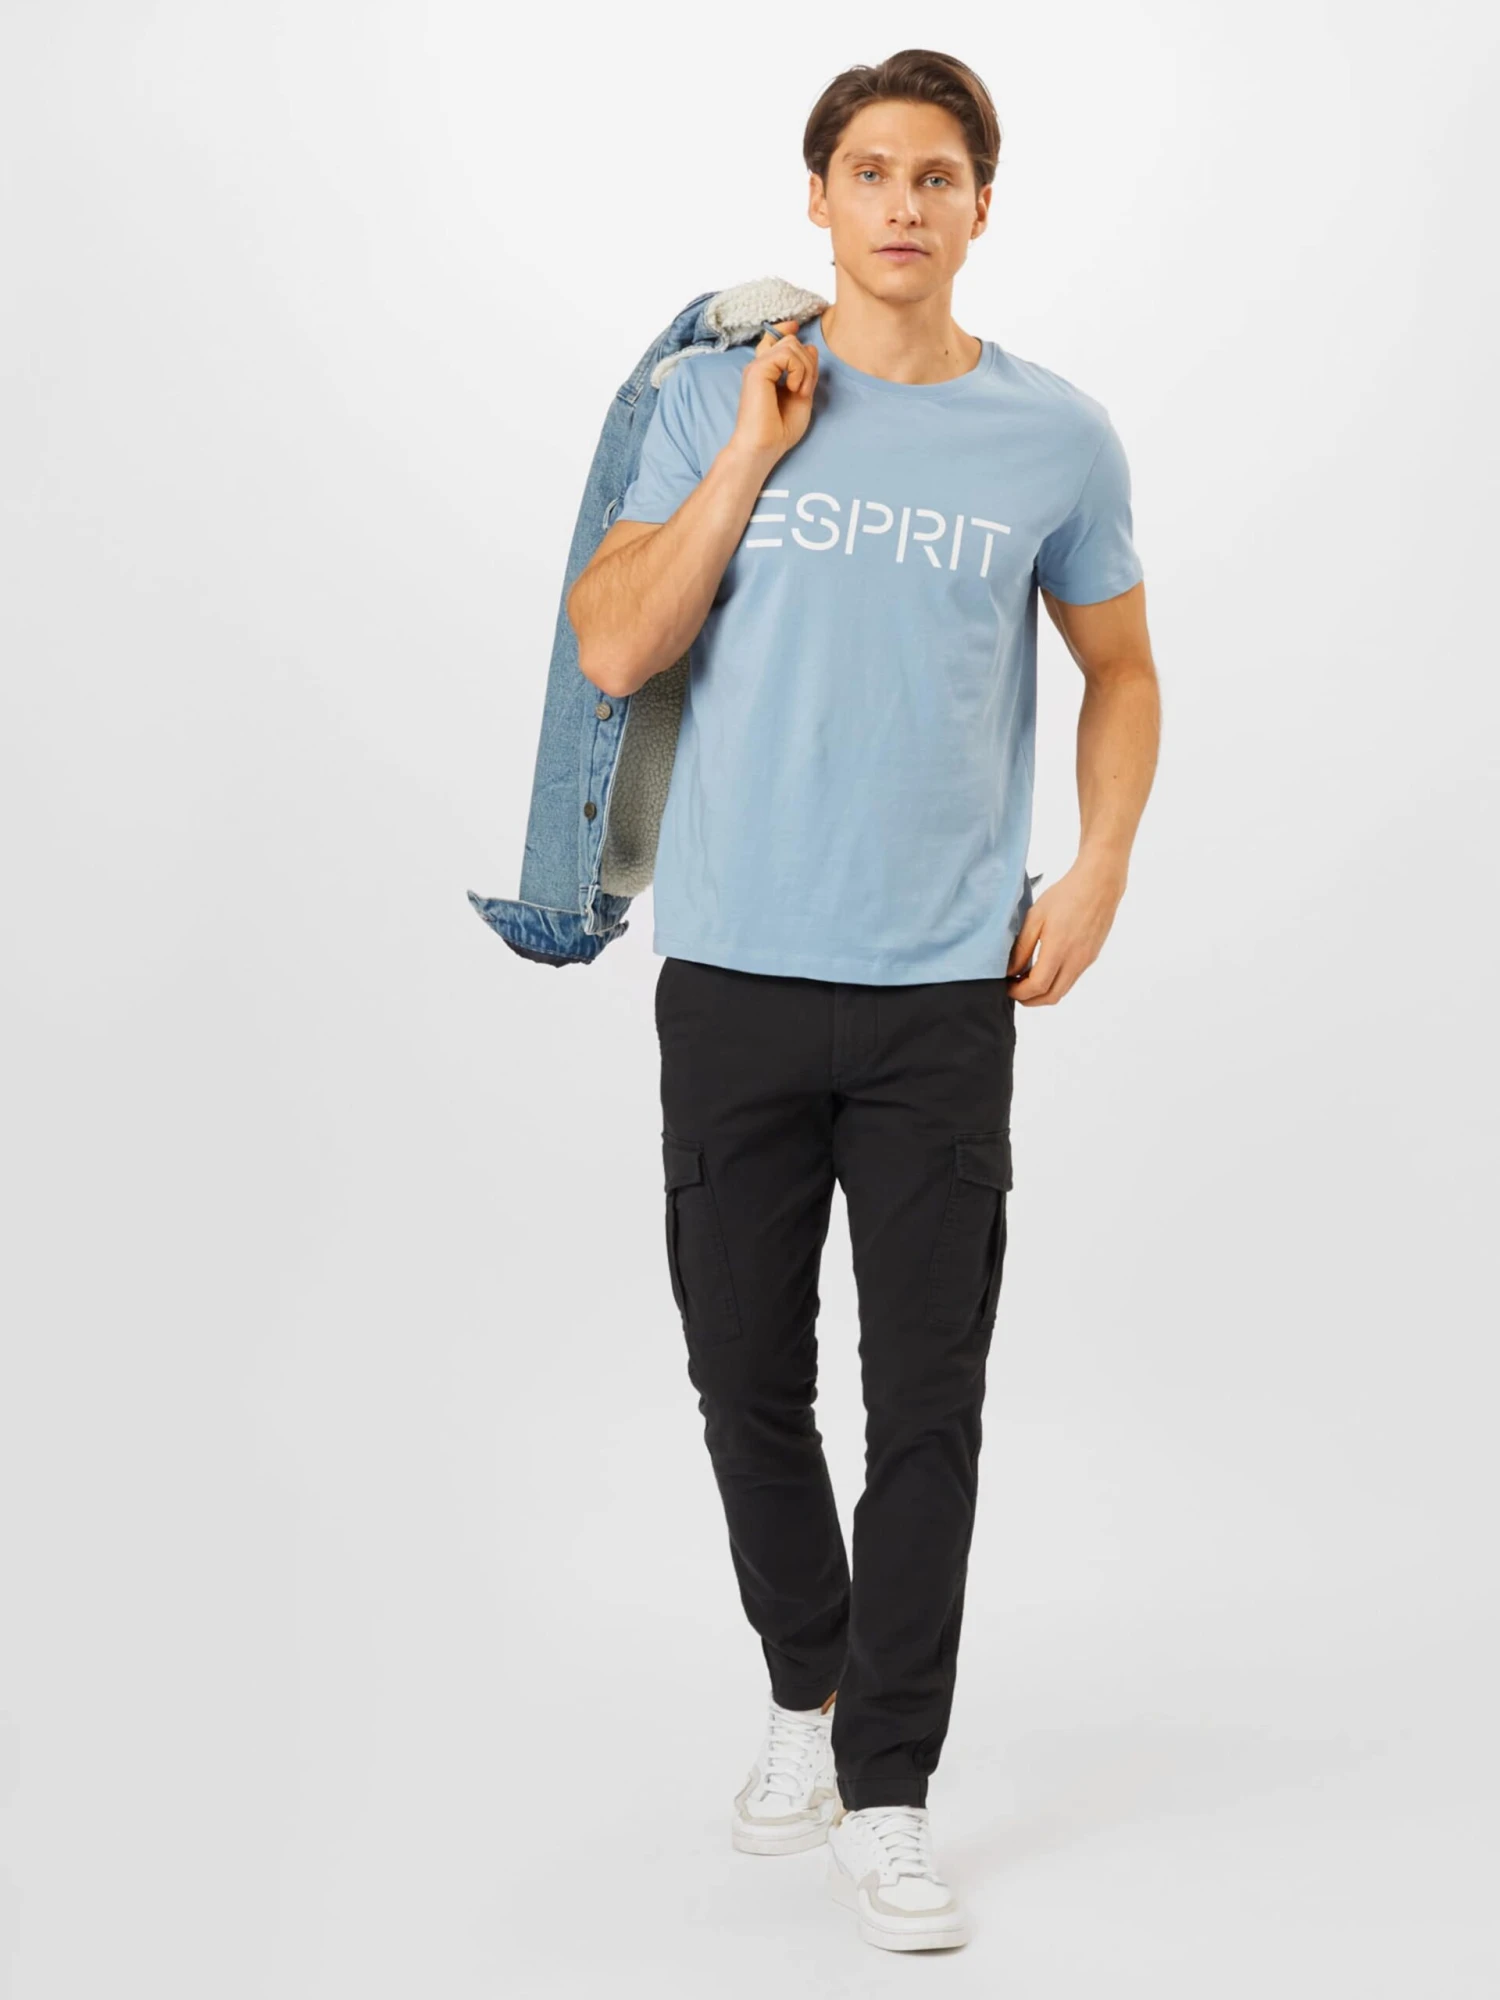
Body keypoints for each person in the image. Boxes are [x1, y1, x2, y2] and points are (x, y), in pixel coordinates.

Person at [566, 48, 1159, 1954]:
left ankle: (888, 1789)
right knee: (742, 1378)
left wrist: (1098, 864)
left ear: (982, 207)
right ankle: (805, 1692)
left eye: (940, 175)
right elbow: (614, 644)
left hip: (939, 998)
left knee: (928, 1407)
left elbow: (1123, 669)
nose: (906, 203)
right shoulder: (707, 400)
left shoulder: (1054, 438)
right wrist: (752, 449)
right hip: (736, 974)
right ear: (817, 196)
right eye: (873, 171)